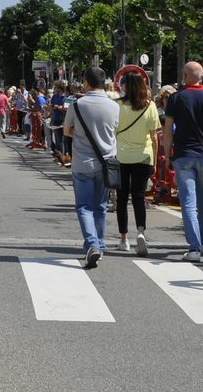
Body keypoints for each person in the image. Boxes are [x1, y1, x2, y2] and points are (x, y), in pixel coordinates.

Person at [162, 61, 203, 261]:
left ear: (185, 76)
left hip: (183, 155)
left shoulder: (176, 98)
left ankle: (194, 248)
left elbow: (167, 130)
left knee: (187, 203)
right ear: (202, 77)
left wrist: (168, 154)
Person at [63, 66, 118, 268]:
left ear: (86, 82)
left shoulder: (78, 105)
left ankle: (92, 244)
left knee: (84, 206)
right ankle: (100, 244)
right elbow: (114, 131)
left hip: (83, 162)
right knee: (100, 206)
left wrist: (80, 134)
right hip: (106, 162)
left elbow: (67, 130)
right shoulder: (114, 106)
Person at [114, 69, 158, 257]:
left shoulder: (117, 106)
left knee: (121, 198)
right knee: (139, 197)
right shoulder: (150, 106)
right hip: (143, 155)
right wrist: (154, 161)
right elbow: (154, 137)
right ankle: (141, 231)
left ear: (124, 86)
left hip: (121, 155)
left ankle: (124, 238)